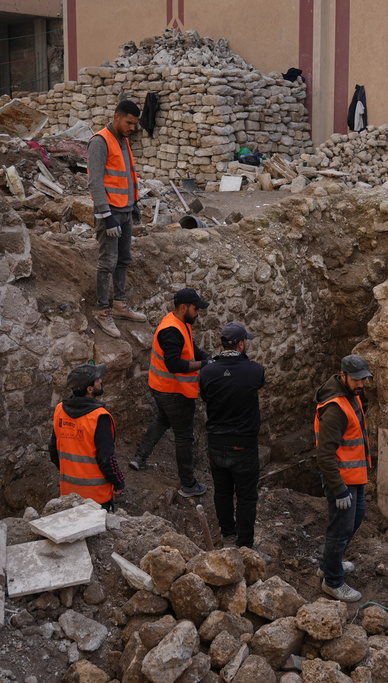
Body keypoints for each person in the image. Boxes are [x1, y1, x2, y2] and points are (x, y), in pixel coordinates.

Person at [129, 287, 213, 498]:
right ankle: (188, 484)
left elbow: (191, 348)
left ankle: (139, 457)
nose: (198, 312)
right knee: (184, 436)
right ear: (183, 307)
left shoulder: (179, 323)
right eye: (196, 309)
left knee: (163, 420)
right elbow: (174, 363)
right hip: (174, 391)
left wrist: (209, 358)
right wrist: (203, 364)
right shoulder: (171, 330)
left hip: (162, 387)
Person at [199, 322, 266, 549]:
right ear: (240, 344)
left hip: (217, 444)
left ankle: (228, 536)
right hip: (244, 447)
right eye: (245, 341)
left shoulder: (207, 371)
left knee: (223, 492)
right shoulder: (255, 371)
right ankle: (245, 546)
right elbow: (257, 383)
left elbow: (205, 396)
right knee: (246, 497)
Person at [314, 354, 373, 602]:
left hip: (354, 476)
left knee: (354, 520)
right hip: (341, 480)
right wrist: (338, 489)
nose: (362, 384)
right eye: (357, 380)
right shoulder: (336, 408)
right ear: (344, 375)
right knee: (340, 529)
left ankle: (329, 564)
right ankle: (333, 581)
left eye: (364, 379)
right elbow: (324, 454)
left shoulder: (352, 395)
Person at [88, 98, 147, 339]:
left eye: (134, 124)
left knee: (124, 259)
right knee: (107, 262)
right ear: (116, 117)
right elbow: (95, 181)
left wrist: (134, 203)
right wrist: (106, 215)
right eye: (128, 122)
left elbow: (125, 175)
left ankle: (120, 305)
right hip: (110, 214)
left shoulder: (123, 140)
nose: (132, 127)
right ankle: (103, 312)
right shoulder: (101, 141)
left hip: (125, 212)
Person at [49, 363, 126, 510]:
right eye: (98, 380)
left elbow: (53, 450)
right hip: (97, 497)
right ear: (90, 389)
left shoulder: (60, 410)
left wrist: (70, 471)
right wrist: (119, 482)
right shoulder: (99, 417)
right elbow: (106, 459)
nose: (101, 381)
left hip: (69, 495)